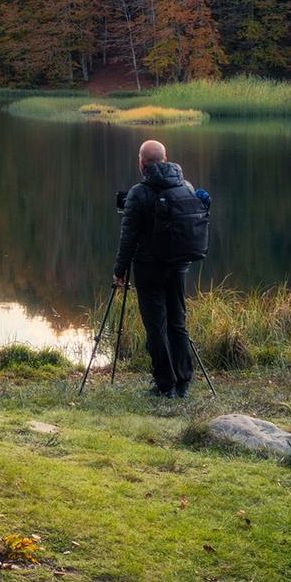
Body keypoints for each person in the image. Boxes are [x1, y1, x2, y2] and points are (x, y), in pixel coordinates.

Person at [113, 139, 194, 398]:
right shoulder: (186, 187)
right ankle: (182, 383)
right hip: (180, 265)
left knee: (156, 326)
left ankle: (165, 385)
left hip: (149, 268)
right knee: (177, 323)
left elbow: (128, 238)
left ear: (142, 162)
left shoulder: (138, 192)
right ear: (166, 159)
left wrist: (119, 270)